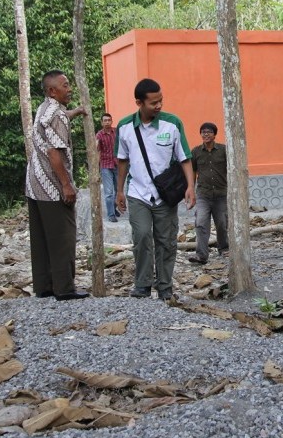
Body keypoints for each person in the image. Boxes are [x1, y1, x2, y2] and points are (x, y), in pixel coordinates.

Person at [115, 78, 195, 300]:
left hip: (165, 196)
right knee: (141, 237)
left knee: (166, 241)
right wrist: (119, 191)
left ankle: (165, 286)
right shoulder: (124, 128)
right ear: (139, 102)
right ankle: (142, 285)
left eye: (161, 101)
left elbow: (185, 158)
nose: (159, 106)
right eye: (153, 103)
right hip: (137, 193)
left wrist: (190, 186)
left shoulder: (173, 124)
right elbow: (122, 161)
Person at [25, 70, 89, 301]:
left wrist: (77, 111)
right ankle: (64, 288)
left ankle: (44, 287)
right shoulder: (57, 115)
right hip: (52, 186)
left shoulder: (45, 108)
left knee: (41, 238)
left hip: (34, 184)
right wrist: (66, 185)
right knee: (63, 236)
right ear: (53, 90)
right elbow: (54, 152)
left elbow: (59, 118)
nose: (69, 88)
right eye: (65, 85)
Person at [189, 122, 229, 264]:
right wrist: (191, 190)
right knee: (200, 223)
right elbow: (192, 171)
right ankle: (201, 255)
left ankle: (224, 249)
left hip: (221, 194)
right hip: (203, 195)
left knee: (222, 223)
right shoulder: (196, 152)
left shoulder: (224, 150)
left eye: (209, 132)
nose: (205, 134)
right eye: (203, 132)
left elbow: (231, 169)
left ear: (214, 134)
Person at [96, 112, 119, 222]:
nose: (107, 122)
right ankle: (111, 214)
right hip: (105, 165)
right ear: (101, 122)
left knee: (118, 189)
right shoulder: (99, 135)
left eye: (108, 120)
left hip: (117, 164)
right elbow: (97, 151)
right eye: (105, 120)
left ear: (111, 121)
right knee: (109, 192)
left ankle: (114, 208)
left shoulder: (116, 132)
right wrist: (96, 167)